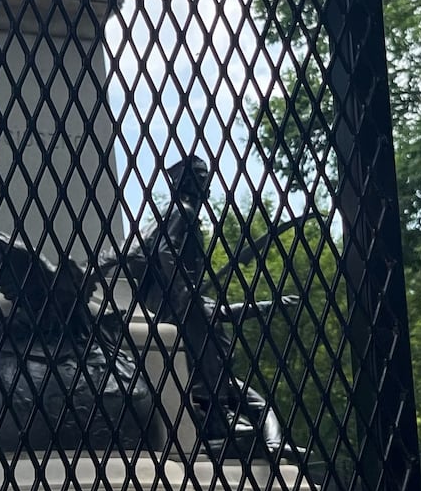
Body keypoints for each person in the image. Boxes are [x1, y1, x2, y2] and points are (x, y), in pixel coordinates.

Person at [115, 154, 306, 461]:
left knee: (212, 329)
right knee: (209, 345)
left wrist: (269, 305)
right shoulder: (184, 211)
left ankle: (230, 419)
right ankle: (218, 413)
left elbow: (221, 312)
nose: (205, 183)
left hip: (172, 300)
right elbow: (166, 252)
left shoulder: (172, 213)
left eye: (205, 177)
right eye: (199, 177)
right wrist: (183, 290)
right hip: (174, 299)